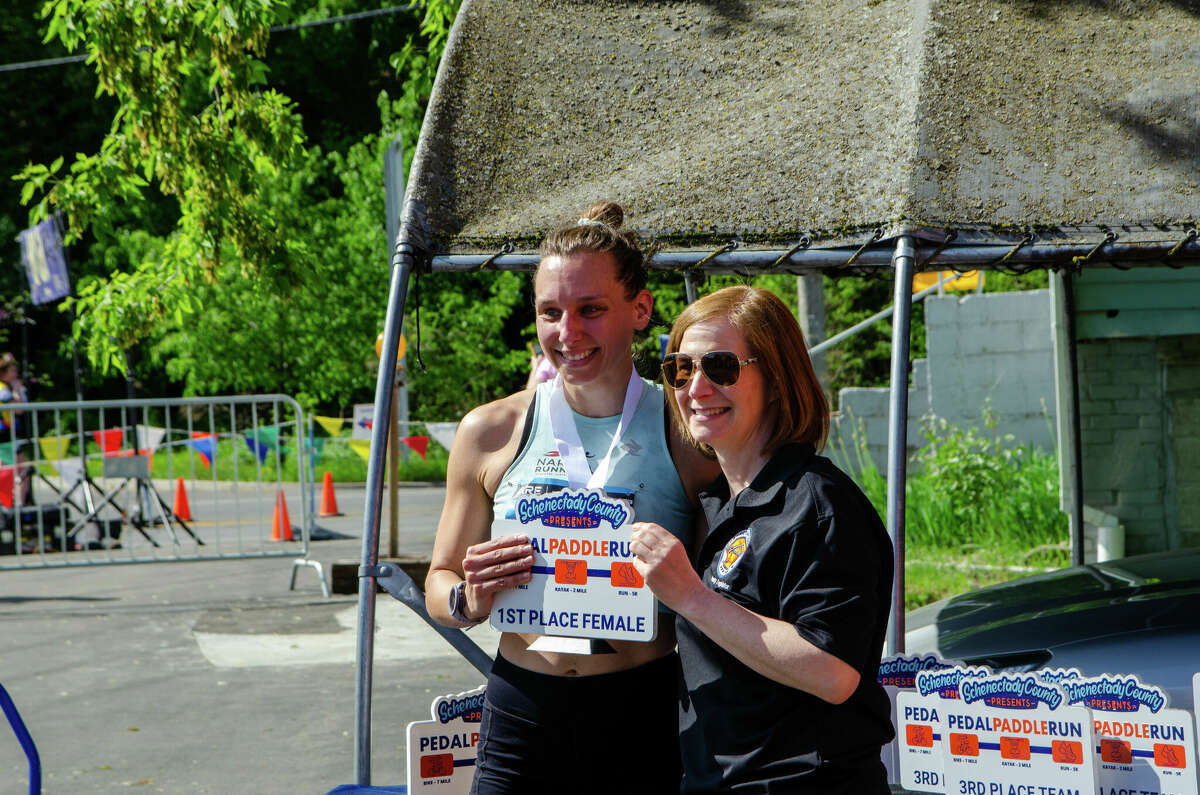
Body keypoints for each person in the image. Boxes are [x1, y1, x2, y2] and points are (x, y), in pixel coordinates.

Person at [425, 202, 719, 794]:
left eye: (591, 310)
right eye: (550, 312)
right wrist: (467, 598)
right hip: (523, 708)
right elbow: (439, 579)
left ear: (640, 310)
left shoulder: (688, 433)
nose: (568, 333)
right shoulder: (489, 431)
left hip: (643, 710)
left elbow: (729, 588)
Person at [630, 285, 895, 793]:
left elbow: (834, 672)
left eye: (722, 367)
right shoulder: (712, 504)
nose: (697, 389)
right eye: (680, 370)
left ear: (776, 380)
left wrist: (689, 596)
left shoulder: (818, 504)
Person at [0, 352, 32, 506]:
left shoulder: (6, 387)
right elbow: (18, 409)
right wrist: (17, 390)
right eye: (12, 371)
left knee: (19, 470)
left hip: (7, 437)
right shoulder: (3, 389)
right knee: (21, 470)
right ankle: (16, 506)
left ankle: (15, 504)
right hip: (4, 437)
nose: (16, 374)